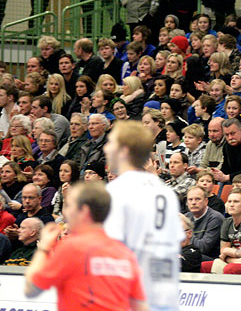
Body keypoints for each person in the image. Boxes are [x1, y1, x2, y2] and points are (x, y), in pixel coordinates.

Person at [24, 182, 147, 310]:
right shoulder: (125, 254)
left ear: (84, 211)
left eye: (69, 206)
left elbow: (31, 289)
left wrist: (43, 248)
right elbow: (140, 306)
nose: (65, 212)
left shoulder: (72, 248)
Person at [103, 121, 183, 310]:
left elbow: (110, 248)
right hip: (164, 293)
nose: (106, 148)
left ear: (124, 151)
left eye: (110, 143)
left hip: (131, 295)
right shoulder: (165, 192)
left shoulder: (117, 191)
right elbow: (175, 242)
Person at [185, 185, 224, 259]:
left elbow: (203, 248)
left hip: (209, 259)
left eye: (197, 199)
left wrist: (186, 233)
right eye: (190, 199)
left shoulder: (215, 218)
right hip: (189, 254)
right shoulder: (186, 217)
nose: (193, 202)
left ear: (206, 201)